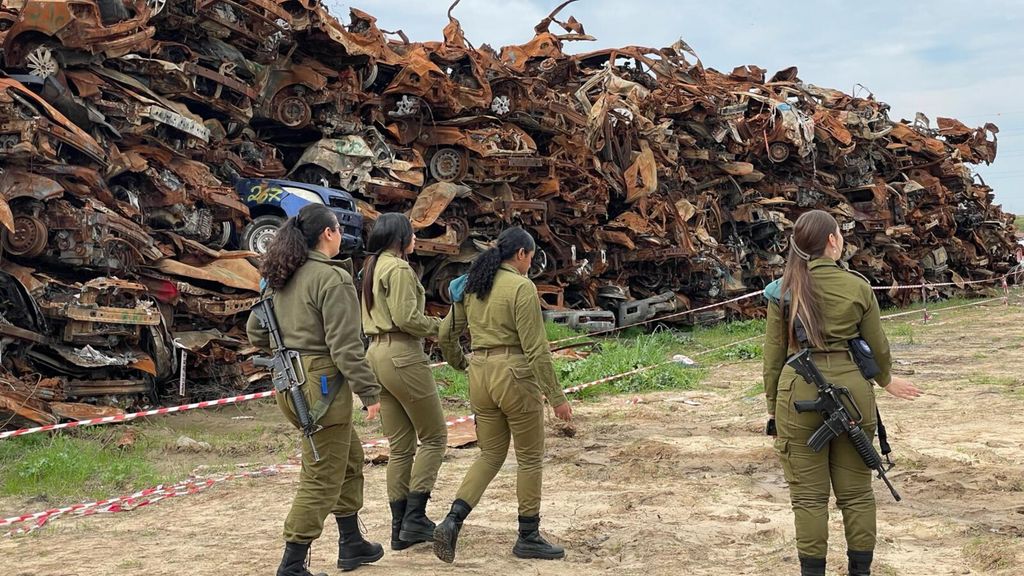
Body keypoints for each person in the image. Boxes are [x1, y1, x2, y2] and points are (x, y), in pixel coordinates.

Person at [762, 210, 922, 576]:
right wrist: (885, 380)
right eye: (840, 234)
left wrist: (773, 408)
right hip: (852, 391)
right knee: (858, 494)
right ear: (832, 241)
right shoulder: (857, 286)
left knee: (808, 499)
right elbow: (878, 347)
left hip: (796, 391)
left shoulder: (781, 290)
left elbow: (773, 358)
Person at [246, 204, 385, 576]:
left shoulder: (281, 275)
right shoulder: (331, 277)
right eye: (338, 229)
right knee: (321, 476)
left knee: (349, 459)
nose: (340, 235)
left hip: (290, 382)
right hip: (321, 390)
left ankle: (351, 542)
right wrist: (369, 392)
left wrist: (292, 342)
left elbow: (256, 332)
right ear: (328, 233)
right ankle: (292, 564)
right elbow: (346, 347)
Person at [432, 227, 574, 564]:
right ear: (521, 254)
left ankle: (452, 520)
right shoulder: (522, 287)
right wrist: (556, 397)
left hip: (480, 374)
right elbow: (536, 349)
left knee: (490, 455)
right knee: (529, 458)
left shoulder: (472, 284)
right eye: (530, 257)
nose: (530, 264)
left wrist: (461, 364)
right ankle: (528, 535)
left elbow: (445, 334)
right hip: (515, 376)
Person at [359, 213, 447, 550]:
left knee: (400, 446)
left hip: (375, 354)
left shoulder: (372, 266)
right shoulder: (397, 269)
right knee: (435, 436)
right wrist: (441, 327)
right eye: (412, 233)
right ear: (400, 237)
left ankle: (399, 529)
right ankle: (415, 517)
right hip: (401, 354)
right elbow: (407, 318)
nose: (415, 238)